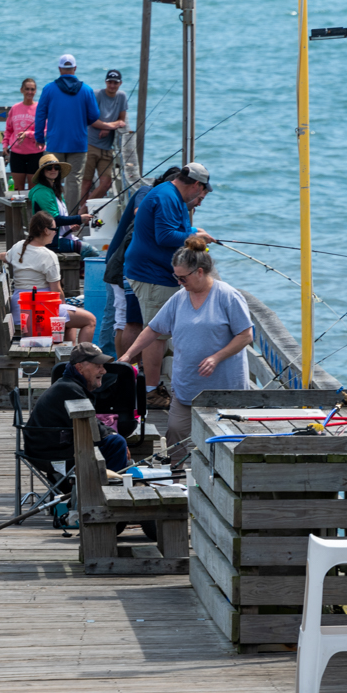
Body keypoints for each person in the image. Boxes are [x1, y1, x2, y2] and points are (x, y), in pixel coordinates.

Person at [118, 238, 253, 466]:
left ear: (200, 272)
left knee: (225, 442)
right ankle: (177, 478)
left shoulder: (227, 296)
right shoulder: (179, 298)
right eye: (176, 278)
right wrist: (128, 355)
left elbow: (246, 335)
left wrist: (216, 357)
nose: (179, 283)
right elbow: (153, 329)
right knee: (175, 435)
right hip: (187, 387)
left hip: (225, 389)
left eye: (183, 278)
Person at [122, 162, 216, 407]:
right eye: (201, 193)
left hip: (159, 273)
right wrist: (196, 237)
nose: (199, 198)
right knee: (157, 334)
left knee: (161, 333)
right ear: (196, 184)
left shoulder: (171, 194)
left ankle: (154, 385)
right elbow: (165, 236)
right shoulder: (166, 197)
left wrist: (194, 230)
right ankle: (151, 391)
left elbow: (177, 229)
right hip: (151, 275)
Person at [0, 207, 98, 344]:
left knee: (69, 318)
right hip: (38, 310)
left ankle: (68, 358)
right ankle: (81, 359)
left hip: (19, 307)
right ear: (45, 231)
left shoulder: (19, 246)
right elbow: (57, 291)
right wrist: (64, 306)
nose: (56, 234)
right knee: (90, 320)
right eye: (54, 230)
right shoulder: (48, 256)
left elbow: (4, 256)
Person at [33, 55, 126, 216]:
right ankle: (70, 218)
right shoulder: (86, 90)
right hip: (78, 143)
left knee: (50, 179)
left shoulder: (49, 89)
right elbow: (93, 116)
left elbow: (40, 115)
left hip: (55, 143)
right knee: (74, 181)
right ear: (75, 69)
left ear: (60, 69)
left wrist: (40, 138)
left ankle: (50, 215)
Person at [102, 166, 180, 356]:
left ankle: (124, 366)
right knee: (123, 319)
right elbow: (139, 211)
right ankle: (120, 366)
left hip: (127, 264)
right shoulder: (147, 192)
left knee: (122, 318)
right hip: (120, 265)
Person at [23, 342, 131, 474]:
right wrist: (116, 437)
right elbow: (93, 428)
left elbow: (93, 423)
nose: (104, 371)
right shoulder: (69, 389)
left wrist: (111, 433)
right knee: (117, 443)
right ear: (80, 368)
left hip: (47, 448)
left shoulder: (68, 385)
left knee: (114, 440)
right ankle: (110, 490)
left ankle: (99, 484)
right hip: (50, 455)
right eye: (98, 366)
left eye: (102, 366)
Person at [78, 70, 130, 213]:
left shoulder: (122, 96)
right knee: (86, 181)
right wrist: (109, 126)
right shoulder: (96, 95)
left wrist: (108, 128)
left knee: (106, 183)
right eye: (110, 82)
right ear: (106, 82)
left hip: (107, 147)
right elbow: (91, 119)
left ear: (120, 83)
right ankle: (83, 215)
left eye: (115, 82)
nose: (112, 85)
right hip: (90, 144)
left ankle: (83, 211)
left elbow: (121, 120)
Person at [2, 78, 44, 191]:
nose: (29, 92)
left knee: (34, 188)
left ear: (35, 91)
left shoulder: (40, 109)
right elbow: (9, 129)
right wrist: (5, 145)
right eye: (27, 89)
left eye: (32, 89)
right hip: (17, 153)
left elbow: (45, 131)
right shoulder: (15, 108)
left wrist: (28, 134)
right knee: (17, 188)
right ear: (21, 90)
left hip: (35, 153)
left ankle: (34, 209)